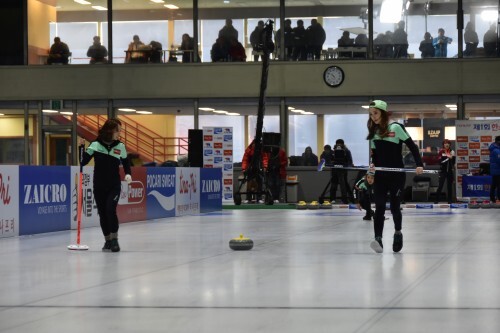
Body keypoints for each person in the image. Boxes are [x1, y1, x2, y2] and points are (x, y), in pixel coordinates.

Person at [366, 100, 424, 253]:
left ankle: (397, 233)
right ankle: (378, 238)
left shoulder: (396, 128)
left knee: (394, 207)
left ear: (383, 113)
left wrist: (419, 164)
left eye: (376, 113)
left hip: (396, 176)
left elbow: (412, 146)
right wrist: (371, 173)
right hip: (380, 176)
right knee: (378, 207)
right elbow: (374, 158)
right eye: (371, 114)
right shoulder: (374, 133)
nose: (373, 117)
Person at [80, 118, 132, 252]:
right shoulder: (95, 145)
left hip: (114, 185)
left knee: (110, 210)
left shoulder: (120, 146)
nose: (119, 134)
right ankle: (107, 240)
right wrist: (81, 148)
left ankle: (115, 240)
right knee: (102, 213)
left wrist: (128, 173)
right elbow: (83, 162)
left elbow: (126, 162)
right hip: (99, 185)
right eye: (117, 131)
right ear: (109, 131)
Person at [330, 139, 353, 204]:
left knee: (343, 185)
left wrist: (346, 165)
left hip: (343, 170)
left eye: (340, 143)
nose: (339, 145)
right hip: (334, 170)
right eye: (338, 143)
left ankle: (344, 199)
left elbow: (350, 161)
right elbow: (330, 160)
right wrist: (332, 163)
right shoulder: (333, 151)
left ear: (343, 144)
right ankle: (332, 199)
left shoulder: (346, 151)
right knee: (333, 185)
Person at [434, 139, 456, 204]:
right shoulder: (441, 152)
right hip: (443, 171)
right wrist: (447, 158)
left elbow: (453, 162)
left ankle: (449, 200)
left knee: (449, 186)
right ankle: (436, 200)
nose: (446, 144)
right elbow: (440, 162)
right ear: (443, 144)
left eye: (448, 143)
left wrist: (453, 162)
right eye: (445, 143)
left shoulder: (452, 151)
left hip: (450, 171)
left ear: (449, 144)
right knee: (440, 185)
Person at [489, 136, 500, 202]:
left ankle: (492, 198)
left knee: (494, 185)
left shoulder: (495, 148)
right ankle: (498, 198)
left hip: (495, 170)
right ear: (498, 141)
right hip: (498, 170)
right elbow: (499, 160)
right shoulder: (496, 150)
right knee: (498, 186)